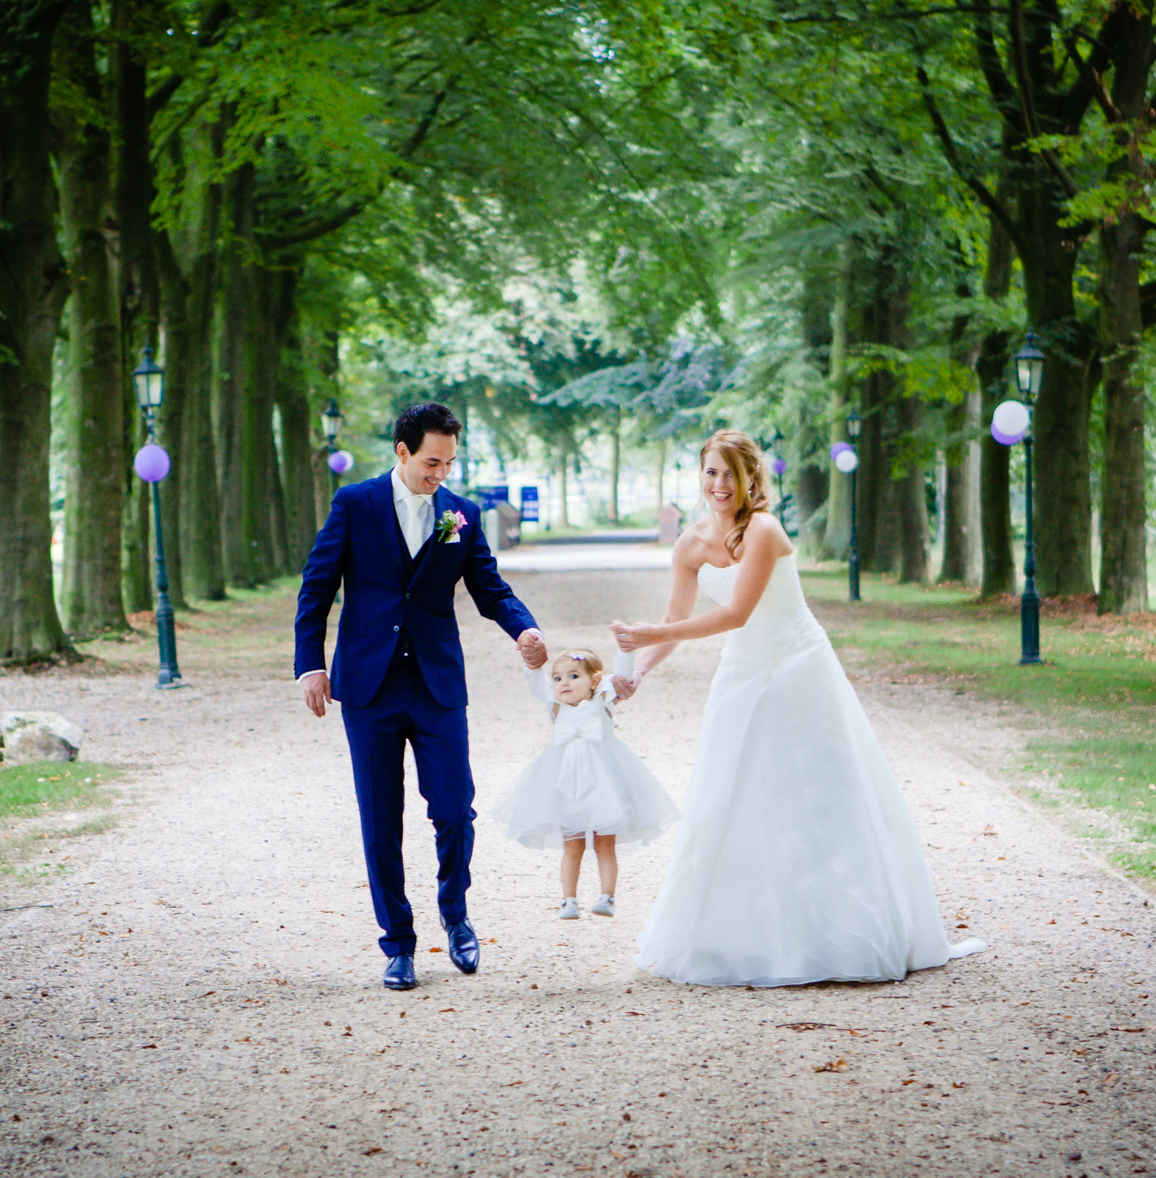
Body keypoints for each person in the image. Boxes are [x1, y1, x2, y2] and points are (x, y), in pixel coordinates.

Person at [610, 429, 986, 987]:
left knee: (818, 797)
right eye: (711, 472)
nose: (719, 484)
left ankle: (843, 932)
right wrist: (639, 668)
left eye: (730, 474)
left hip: (797, 670)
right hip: (741, 675)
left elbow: (737, 613)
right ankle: (745, 937)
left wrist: (649, 633)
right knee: (732, 797)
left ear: (749, 479)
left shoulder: (763, 530)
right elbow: (677, 619)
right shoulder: (689, 545)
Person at [293, 403, 547, 991]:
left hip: (436, 684)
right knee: (382, 820)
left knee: (456, 808)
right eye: (432, 461)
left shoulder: (460, 513)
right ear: (402, 452)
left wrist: (523, 629)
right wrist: (310, 665)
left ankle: (455, 914)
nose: (441, 473)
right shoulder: (354, 504)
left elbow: (488, 586)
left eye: (450, 462)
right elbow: (317, 586)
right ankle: (399, 943)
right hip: (369, 687)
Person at [493, 647, 678, 919]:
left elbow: (621, 676)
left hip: (605, 784)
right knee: (573, 845)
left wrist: (625, 651)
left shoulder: (604, 699)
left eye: (573, 676)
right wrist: (530, 662)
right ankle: (568, 899)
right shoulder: (555, 705)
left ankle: (607, 896)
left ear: (594, 681)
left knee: (606, 843)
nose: (564, 683)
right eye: (557, 679)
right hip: (567, 785)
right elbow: (536, 682)